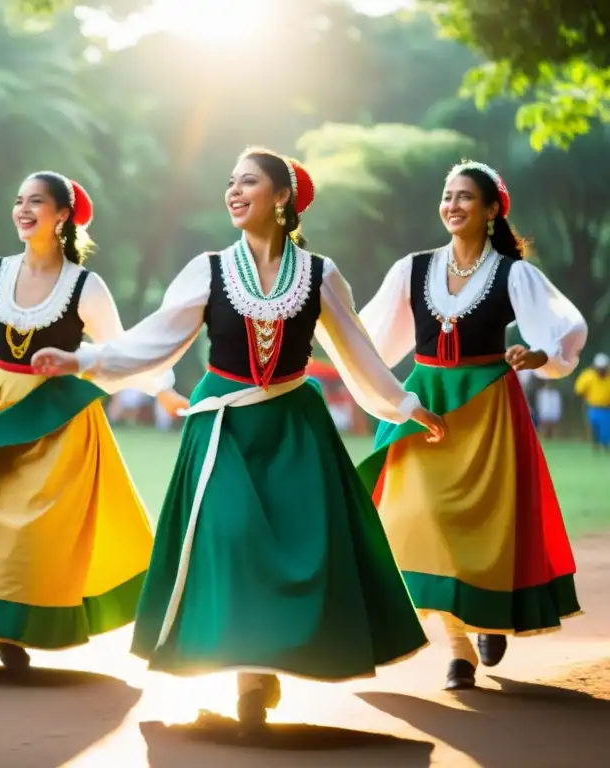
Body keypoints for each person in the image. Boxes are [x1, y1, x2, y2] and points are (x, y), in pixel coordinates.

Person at [31, 148, 445, 730]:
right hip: (222, 424)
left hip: (295, 429)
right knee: (231, 531)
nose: (233, 191)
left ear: (282, 197)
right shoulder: (208, 268)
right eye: (230, 182)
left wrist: (404, 405)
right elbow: (155, 340)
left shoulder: (320, 274)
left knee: (304, 547)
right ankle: (246, 672)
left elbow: (357, 352)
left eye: (248, 182)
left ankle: (260, 672)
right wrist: (83, 359)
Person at [0, 171, 186, 670]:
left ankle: (14, 630)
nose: (23, 209)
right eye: (19, 200)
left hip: (59, 419)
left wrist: (164, 389)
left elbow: (120, 346)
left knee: (37, 529)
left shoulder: (85, 285)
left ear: (62, 215)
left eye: (37, 202)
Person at [357, 160, 588, 691]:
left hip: (487, 409)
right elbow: (369, 341)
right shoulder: (411, 269)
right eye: (447, 195)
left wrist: (540, 355)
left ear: (490, 211)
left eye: (465, 197)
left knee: (481, 527)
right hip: (424, 404)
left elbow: (562, 326)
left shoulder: (514, 273)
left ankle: (485, 617)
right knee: (415, 517)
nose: (453, 205)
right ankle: (458, 649)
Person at [574, 353, 610, 450]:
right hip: (593, 407)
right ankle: (595, 446)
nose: (601, 371)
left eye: (603, 368)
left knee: (606, 431)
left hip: (607, 409)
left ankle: (606, 446)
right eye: (599, 368)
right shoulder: (588, 375)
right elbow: (579, 389)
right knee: (593, 428)